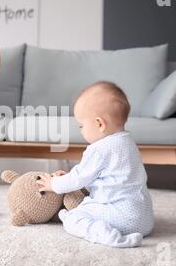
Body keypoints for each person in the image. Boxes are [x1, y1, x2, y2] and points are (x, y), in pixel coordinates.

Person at [37, 82, 154, 248]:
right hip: (144, 220)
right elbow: (106, 178)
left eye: (81, 125)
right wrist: (69, 176)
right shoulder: (128, 142)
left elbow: (78, 178)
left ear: (99, 124)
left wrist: (53, 184)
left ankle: (109, 236)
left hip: (121, 218)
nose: (81, 130)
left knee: (74, 218)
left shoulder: (99, 149)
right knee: (88, 205)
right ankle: (121, 231)